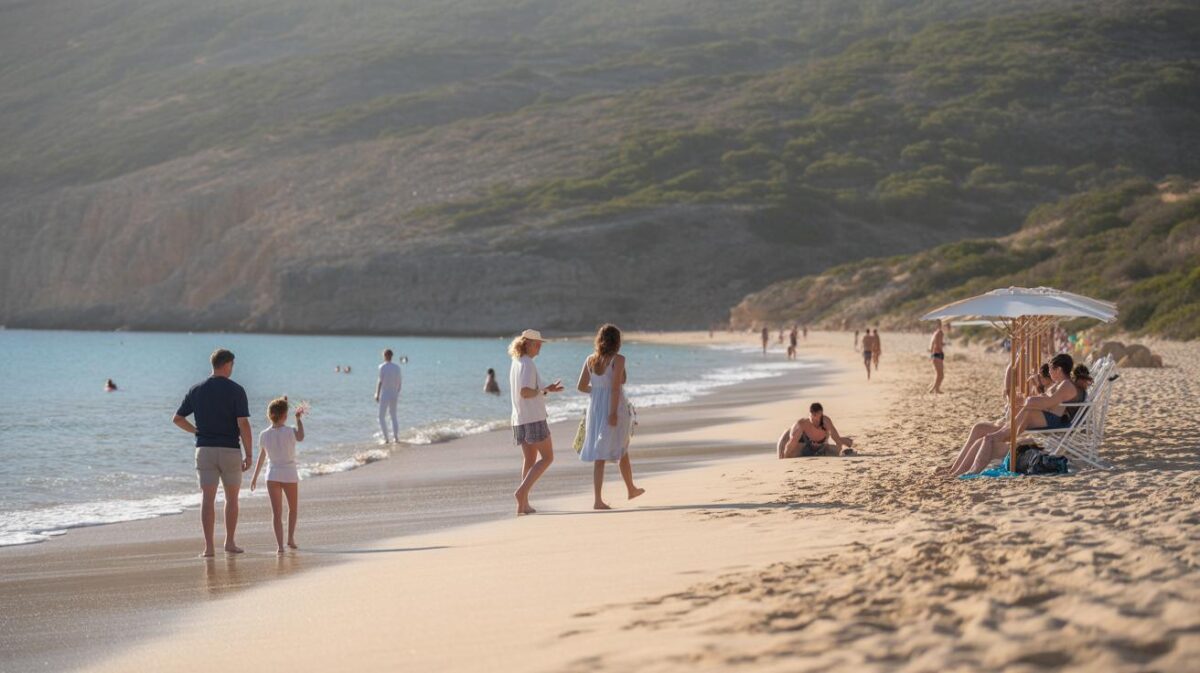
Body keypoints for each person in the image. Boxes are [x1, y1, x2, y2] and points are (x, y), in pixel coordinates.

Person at [939, 354, 1078, 477]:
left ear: (1059, 369)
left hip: (1051, 421)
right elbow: (1045, 400)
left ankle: (968, 469)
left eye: (1051, 369)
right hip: (1045, 419)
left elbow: (1048, 403)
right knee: (986, 433)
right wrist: (1029, 398)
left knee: (992, 437)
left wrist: (1025, 401)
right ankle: (957, 470)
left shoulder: (1065, 385)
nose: (1050, 372)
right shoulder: (1061, 384)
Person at [172, 348, 252, 558]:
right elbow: (243, 423)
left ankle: (208, 548)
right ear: (227, 364)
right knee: (231, 498)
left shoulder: (196, 389)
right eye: (232, 365)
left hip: (204, 449)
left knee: (207, 499)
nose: (233, 369)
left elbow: (178, 419)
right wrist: (250, 453)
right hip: (230, 450)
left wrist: (196, 431)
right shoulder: (237, 390)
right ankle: (230, 542)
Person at [576, 324, 645, 510]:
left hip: (595, 408)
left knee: (609, 450)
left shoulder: (590, 359)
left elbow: (581, 387)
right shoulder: (619, 359)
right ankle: (622, 491)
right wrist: (613, 412)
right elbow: (616, 387)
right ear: (617, 341)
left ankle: (625, 490)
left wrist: (597, 392)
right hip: (614, 407)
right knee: (620, 445)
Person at [509, 329, 563, 515]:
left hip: (519, 418)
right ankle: (521, 493)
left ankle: (523, 504)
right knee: (548, 457)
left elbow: (527, 391)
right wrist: (542, 391)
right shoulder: (527, 364)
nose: (540, 347)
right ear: (529, 344)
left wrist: (546, 389)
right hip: (533, 417)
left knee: (530, 459)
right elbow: (525, 392)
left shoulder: (516, 362)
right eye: (538, 344)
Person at [250, 397, 305, 554]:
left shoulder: (263, 434)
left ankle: (280, 546)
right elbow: (301, 436)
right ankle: (290, 539)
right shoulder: (290, 431)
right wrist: (298, 419)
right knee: (292, 509)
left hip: (272, 474)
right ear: (285, 415)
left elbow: (261, 457)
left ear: (270, 415)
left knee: (276, 513)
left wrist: (254, 478)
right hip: (288, 473)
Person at [777, 403, 854, 458]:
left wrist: (840, 450)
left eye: (819, 418)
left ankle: (849, 441)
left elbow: (836, 439)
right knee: (787, 455)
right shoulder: (802, 424)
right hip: (796, 440)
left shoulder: (826, 421)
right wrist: (785, 458)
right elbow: (791, 443)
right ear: (810, 415)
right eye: (814, 417)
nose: (817, 421)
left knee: (834, 451)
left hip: (818, 445)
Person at [375, 349, 403, 443]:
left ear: (385, 356)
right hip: (394, 394)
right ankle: (396, 437)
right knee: (393, 416)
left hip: (385, 393)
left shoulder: (382, 367)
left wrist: (377, 394)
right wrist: (397, 391)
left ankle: (386, 439)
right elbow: (399, 383)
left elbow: (380, 381)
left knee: (381, 416)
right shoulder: (397, 367)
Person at [928, 320, 945, 394]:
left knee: (939, 374)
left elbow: (932, 345)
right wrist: (941, 350)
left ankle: (934, 388)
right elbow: (938, 345)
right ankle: (935, 389)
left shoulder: (935, 333)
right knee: (941, 374)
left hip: (934, 354)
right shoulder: (940, 332)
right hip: (938, 354)